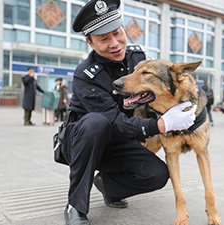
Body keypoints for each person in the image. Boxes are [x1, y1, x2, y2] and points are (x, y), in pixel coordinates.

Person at [61, 0, 197, 224]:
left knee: (157, 174)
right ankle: (75, 206)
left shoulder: (139, 58)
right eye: (104, 39)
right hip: (82, 142)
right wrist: (161, 125)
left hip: (119, 142)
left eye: (117, 33)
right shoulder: (86, 75)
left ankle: (108, 185)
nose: (114, 44)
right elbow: (112, 121)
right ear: (90, 42)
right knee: (96, 122)